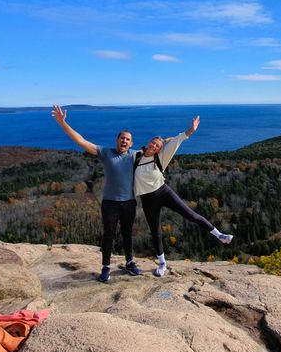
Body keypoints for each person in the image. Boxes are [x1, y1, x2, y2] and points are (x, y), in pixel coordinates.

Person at [134, 115, 233, 277]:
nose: (154, 146)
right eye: (153, 142)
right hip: (147, 199)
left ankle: (220, 235)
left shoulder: (160, 158)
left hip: (163, 192)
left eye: (157, 145)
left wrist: (190, 131)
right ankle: (162, 263)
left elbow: (177, 141)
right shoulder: (136, 156)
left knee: (191, 215)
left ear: (160, 149)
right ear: (148, 142)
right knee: (155, 231)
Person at [51, 104, 141, 282]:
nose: (124, 141)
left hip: (129, 202)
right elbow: (81, 141)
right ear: (117, 140)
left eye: (127, 139)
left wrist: (185, 134)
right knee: (108, 235)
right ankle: (106, 267)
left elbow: (157, 147)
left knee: (127, 234)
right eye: (122, 138)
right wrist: (62, 123)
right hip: (110, 203)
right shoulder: (106, 153)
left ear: (131, 143)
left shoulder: (135, 155)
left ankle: (130, 262)